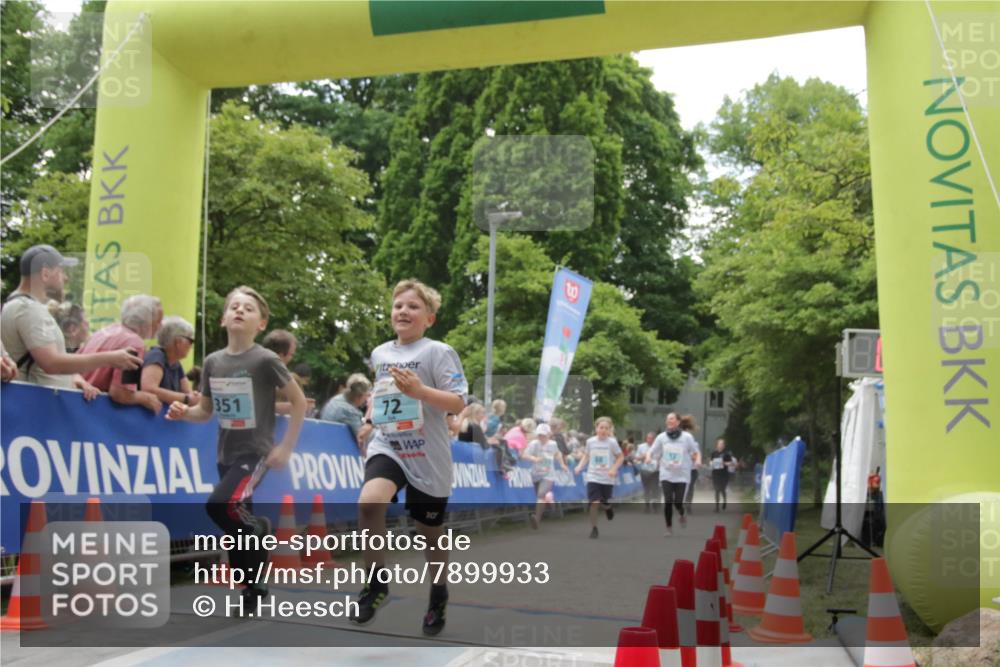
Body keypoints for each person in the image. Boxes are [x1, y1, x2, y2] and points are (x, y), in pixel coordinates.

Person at [166, 285, 306, 611]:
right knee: (236, 527)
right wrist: (183, 412)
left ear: (261, 323)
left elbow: (298, 402)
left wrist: (286, 447)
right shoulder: (213, 362)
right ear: (222, 319)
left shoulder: (265, 360)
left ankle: (261, 529)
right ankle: (253, 588)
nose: (240, 311)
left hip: (255, 452)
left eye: (248, 308)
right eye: (234, 307)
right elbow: (205, 411)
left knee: (219, 506)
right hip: (225, 454)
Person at [351, 280, 468, 636]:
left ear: (429, 318)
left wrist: (420, 391)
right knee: (370, 504)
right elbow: (381, 391)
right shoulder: (380, 353)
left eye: (413, 306)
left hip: (427, 453)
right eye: (398, 305)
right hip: (390, 444)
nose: (403, 311)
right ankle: (376, 584)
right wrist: (370, 420)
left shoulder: (439, 352)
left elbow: (459, 401)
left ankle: (438, 593)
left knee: (428, 532)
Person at [1, 245, 139, 396]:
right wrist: (111, 358)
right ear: (45, 274)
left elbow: (43, 361)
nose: (65, 278)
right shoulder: (28, 309)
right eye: (61, 272)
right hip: (34, 408)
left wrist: (73, 376)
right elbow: (51, 363)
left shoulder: (18, 305)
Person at [78, 294, 164, 414]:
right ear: (147, 322)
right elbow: (120, 394)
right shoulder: (135, 344)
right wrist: (146, 398)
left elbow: (73, 371)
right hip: (95, 412)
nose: (161, 325)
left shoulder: (102, 333)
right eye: (159, 321)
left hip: (77, 405)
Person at [647, 412, 701, 536]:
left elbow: (695, 452)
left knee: (678, 502)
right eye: (667, 419)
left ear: (678, 422)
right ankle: (669, 528)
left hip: (682, 475)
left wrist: (697, 460)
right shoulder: (661, 437)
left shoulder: (687, 437)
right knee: (668, 501)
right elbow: (652, 450)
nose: (668, 421)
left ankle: (682, 513)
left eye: (671, 419)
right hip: (666, 474)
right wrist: (649, 457)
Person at [574, 416, 623, 539]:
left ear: (609, 430)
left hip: (607, 478)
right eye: (601, 427)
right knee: (594, 502)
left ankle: (608, 508)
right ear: (596, 428)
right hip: (593, 476)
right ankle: (594, 528)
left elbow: (620, 457)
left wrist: (613, 468)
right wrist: (579, 466)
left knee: (604, 501)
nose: (603, 430)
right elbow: (586, 455)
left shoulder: (612, 442)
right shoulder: (590, 441)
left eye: (606, 428)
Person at [141, 316, 200, 408]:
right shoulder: (156, 356)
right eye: (191, 341)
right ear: (178, 342)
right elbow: (149, 389)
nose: (191, 346)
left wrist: (195, 396)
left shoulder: (176, 363)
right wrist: (186, 399)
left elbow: (188, 392)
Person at [522, 423, 568, 530]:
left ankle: (536, 519)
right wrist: (534, 459)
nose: (541, 437)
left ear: (549, 434)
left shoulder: (553, 444)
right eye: (539, 435)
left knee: (540, 494)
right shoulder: (534, 444)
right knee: (540, 497)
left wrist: (562, 464)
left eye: (543, 435)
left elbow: (558, 454)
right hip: (536, 474)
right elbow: (524, 455)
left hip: (549, 474)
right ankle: (549, 497)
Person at [319, 372, 373, 453]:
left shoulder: (336, 399)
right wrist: (371, 415)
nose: (367, 399)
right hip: (335, 449)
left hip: (325, 442)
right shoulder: (349, 411)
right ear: (360, 396)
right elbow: (363, 438)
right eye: (367, 396)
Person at [680, 414, 701, 513]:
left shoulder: (694, 443)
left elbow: (696, 455)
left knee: (690, 487)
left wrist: (693, 458)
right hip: (682, 468)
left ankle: (688, 505)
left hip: (692, 469)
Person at [635, 432, 660, 512]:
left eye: (651, 438)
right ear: (646, 438)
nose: (650, 440)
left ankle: (655, 506)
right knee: (646, 489)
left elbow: (662, 457)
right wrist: (644, 456)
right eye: (648, 438)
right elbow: (637, 458)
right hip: (645, 471)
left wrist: (658, 462)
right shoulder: (641, 446)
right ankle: (647, 506)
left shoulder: (658, 447)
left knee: (655, 488)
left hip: (655, 471)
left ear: (654, 439)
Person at [709, 438, 735, 512]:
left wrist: (723, 463)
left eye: (722, 444)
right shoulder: (713, 453)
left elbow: (731, 463)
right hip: (715, 474)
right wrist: (711, 463)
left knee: (722, 489)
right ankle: (717, 507)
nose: (721, 445)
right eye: (719, 444)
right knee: (716, 490)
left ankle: (724, 500)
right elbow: (711, 461)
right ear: (717, 445)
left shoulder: (727, 454)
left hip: (724, 474)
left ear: (724, 445)